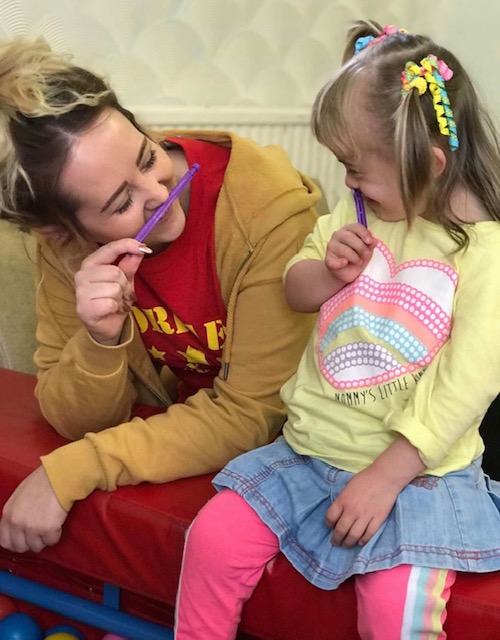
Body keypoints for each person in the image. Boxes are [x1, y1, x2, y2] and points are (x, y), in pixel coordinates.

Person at [173, 20, 500, 640]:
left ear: (427, 165)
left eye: (356, 167)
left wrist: (387, 476)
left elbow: (468, 382)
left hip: (416, 476)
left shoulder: (484, 252)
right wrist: (327, 272)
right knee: (211, 537)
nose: (347, 181)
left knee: (390, 610)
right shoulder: (354, 215)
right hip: (306, 453)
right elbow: (295, 292)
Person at [0, 37, 321, 553]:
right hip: (178, 447)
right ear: (61, 232)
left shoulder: (269, 211)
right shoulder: (69, 250)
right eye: (122, 201)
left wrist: (80, 468)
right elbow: (71, 417)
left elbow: (253, 416)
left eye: (147, 156)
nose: (158, 192)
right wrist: (101, 341)